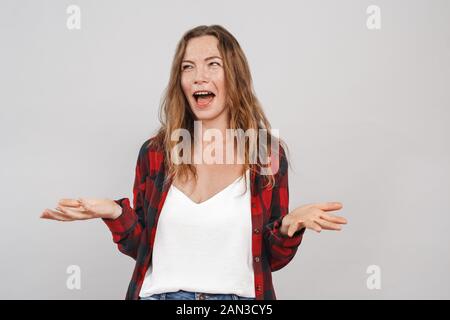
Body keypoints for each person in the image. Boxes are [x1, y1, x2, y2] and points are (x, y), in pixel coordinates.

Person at [40, 25, 347, 300]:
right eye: (188, 67)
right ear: (181, 81)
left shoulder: (265, 155)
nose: (199, 76)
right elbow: (142, 248)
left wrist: (289, 227)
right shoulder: (156, 153)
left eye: (213, 64)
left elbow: (271, 259)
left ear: (235, 76)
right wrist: (115, 211)